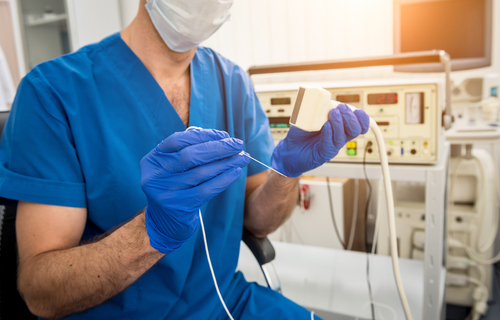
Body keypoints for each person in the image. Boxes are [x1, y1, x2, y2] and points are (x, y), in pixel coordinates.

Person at [0, 0, 369, 319]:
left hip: (225, 303)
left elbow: (257, 221)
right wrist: (151, 231)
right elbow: (40, 291)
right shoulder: (54, 94)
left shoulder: (233, 82)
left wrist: (287, 172)